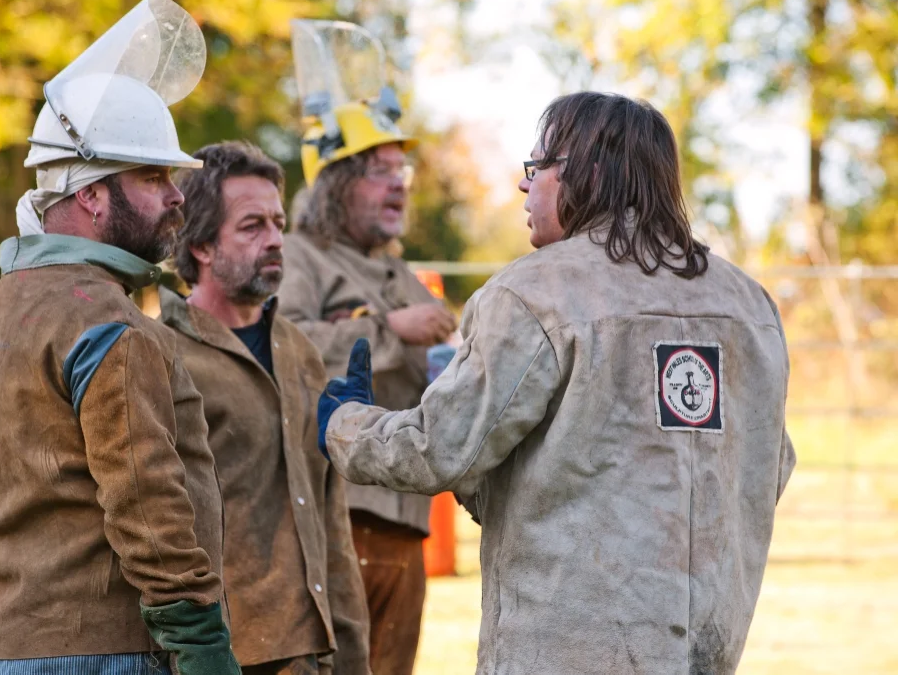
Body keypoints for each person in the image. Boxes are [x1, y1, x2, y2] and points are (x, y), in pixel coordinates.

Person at [317, 91, 797, 674]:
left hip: (563, 647)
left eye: (536, 167)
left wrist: (345, 425)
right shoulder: (750, 304)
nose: (524, 186)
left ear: (588, 173)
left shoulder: (534, 292)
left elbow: (439, 448)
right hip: (707, 650)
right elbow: (768, 465)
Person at [0, 0, 239, 674]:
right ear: (93, 194)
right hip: (97, 653)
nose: (178, 197)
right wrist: (202, 647)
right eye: (154, 176)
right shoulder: (111, 326)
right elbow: (148, 508)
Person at [278, 27, 457, 671]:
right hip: (333, 521)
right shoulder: (298, 256)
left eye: (400, 171)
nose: (398, 186)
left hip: (408, 525)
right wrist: (389, 332)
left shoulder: (399, 272)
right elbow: (281, 344)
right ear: (333, 183)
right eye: (378, 172)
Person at [157, 141, 370, 675]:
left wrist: (351, 650)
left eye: (278, 222)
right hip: (218, 655)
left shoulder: (300, 351)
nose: (276, 240)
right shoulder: (160, 354)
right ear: (202, 245)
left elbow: (330, 515)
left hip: (310, 651)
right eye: (253, 226)